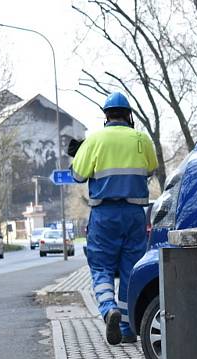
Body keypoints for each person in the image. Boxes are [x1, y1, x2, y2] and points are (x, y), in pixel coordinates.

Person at [70, 91, 158, 345]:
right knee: (131, 270)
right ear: (128, 115)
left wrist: (79, 153)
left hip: (104, 214)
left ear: (106, 116)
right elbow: (151, 169)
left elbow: (77, 175)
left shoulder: (95, 140)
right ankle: (128, 328)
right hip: (134, 214)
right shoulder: (141, 139)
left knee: (101, 267)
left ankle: (109, 309)